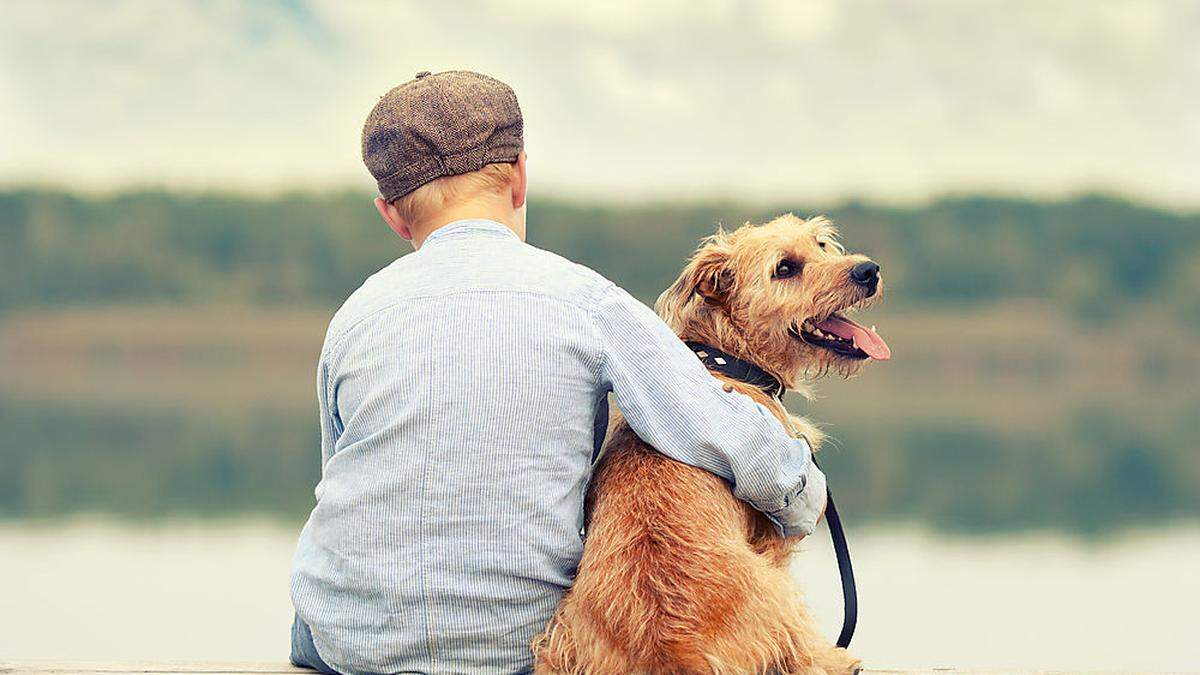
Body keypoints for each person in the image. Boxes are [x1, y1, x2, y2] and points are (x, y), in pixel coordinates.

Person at [288, 70, 827, 675]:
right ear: (519, 175)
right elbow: (715, 428)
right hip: (517, 647)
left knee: (313, 613)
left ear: (390, 212)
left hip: (352, 643)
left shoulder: (355, 317)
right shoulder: (585, 302)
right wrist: (803, 496)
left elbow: (339, 474)